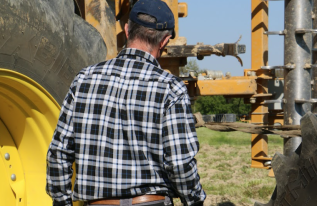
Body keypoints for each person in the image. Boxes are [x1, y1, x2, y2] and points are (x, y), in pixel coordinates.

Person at [46, 0, 206, 205]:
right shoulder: (171, 88)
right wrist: (195, 201)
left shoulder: (84, 79)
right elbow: (180, 164)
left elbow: (58, 152)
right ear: (164, 41)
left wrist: (62, 201)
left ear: (127, 29)